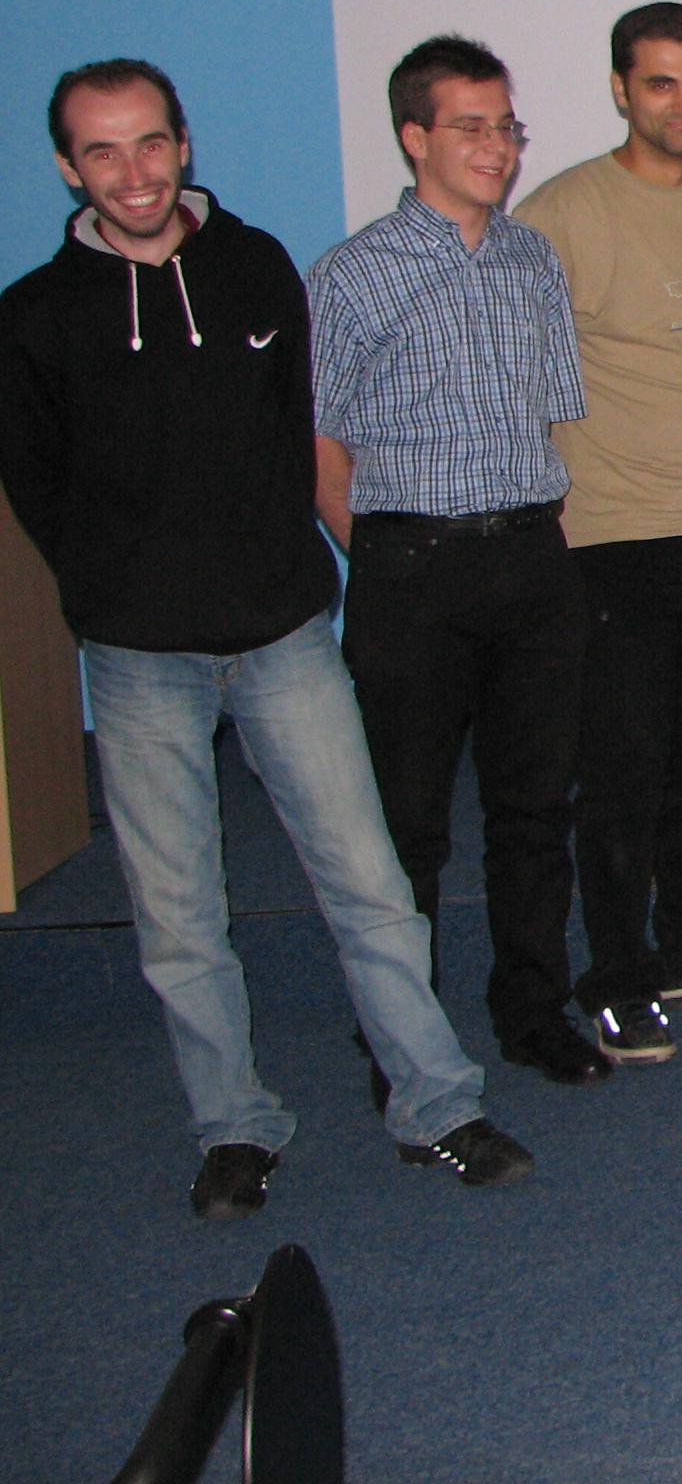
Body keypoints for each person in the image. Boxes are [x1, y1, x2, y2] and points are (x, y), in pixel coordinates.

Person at [0, 58, 533, 1217]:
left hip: (286, 639)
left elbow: (304, 426)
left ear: (183, 144)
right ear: (67, 168)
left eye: (151, 142)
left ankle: (436, 1105)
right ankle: (234, 1127)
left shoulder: (254, 270)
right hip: (139, 662)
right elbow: (36, 483)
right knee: (180, 917)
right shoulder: (35, 317)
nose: (134, 172)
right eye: (103, 151)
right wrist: (112, 591)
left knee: (371, 885)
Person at [306, 36, 604, 1089]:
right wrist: (391, 561)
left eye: (506, 126)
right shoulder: (351, 274)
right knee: (406, 823)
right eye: (470, 127)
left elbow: (551, 415)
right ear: (413, 137)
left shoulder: (532, 260)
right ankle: (403, 1033)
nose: (496, 147)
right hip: (410, 570)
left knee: (534, 809)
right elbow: (320, 445)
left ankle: (532, 1009)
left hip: (529, 561)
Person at [517, 3, 682, 1063]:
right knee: (621, 774)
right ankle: (617, 977)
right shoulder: (559, 214)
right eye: (661, 83)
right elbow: (523, 377)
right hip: (611, 539)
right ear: (621, 90)